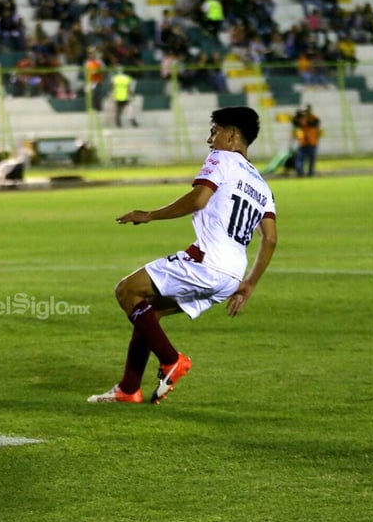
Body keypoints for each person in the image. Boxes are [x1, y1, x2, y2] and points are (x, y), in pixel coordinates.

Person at [88, 107, 277, 405]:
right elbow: (270, 238)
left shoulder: (222, 158)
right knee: (149, 313)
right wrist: (249, 284)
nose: (209, 139)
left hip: (206, 262)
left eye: (214, 132)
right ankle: (128, 389)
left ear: (232, 136)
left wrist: (149, 214)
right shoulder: (262, 186)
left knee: (126, 291)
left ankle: (171, 360)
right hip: (232, 275)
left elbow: (199, 199)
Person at [293, 105, 321, 177]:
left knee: (311, 159)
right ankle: (300, 173)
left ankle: (310, 173)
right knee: (300, 159)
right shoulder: (301, 118)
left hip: (312, 142)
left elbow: (315, 123)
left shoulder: (313, 118)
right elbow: (295, 123)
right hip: (303, 142)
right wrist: (298, 115)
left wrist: (305, 118)